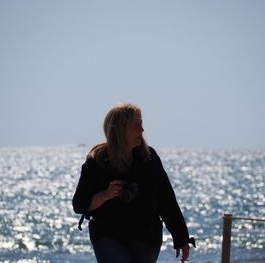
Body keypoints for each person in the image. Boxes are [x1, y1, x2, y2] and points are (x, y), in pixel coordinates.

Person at [72, 102, 195, 263]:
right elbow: (79, 205)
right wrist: (105, 195)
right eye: (135, 125)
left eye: (141, 124)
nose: (142, 130)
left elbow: (167, 200)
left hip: (146, 237)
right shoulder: (97, 162)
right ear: (119, 130)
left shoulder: (149, 158)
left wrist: (182, 239)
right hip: (108, 236)